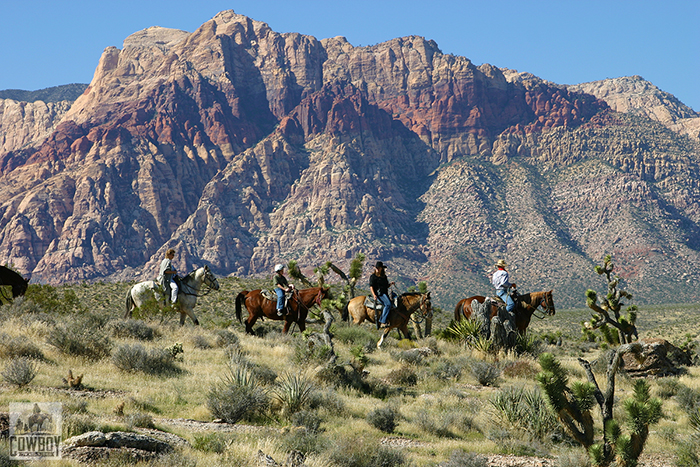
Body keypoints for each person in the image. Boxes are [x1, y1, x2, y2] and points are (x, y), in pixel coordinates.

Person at [369, 261, 395, 329]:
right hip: (379, 294)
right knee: (388, 304)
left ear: (381, 268)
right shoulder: (373, 276)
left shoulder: (384, 277)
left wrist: (390, 284)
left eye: (379, 268)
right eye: (376, 268)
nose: (377, 269)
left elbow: (385, 286)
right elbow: (371, 286)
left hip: (384, 293)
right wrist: (374, 295)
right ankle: (383, 321)